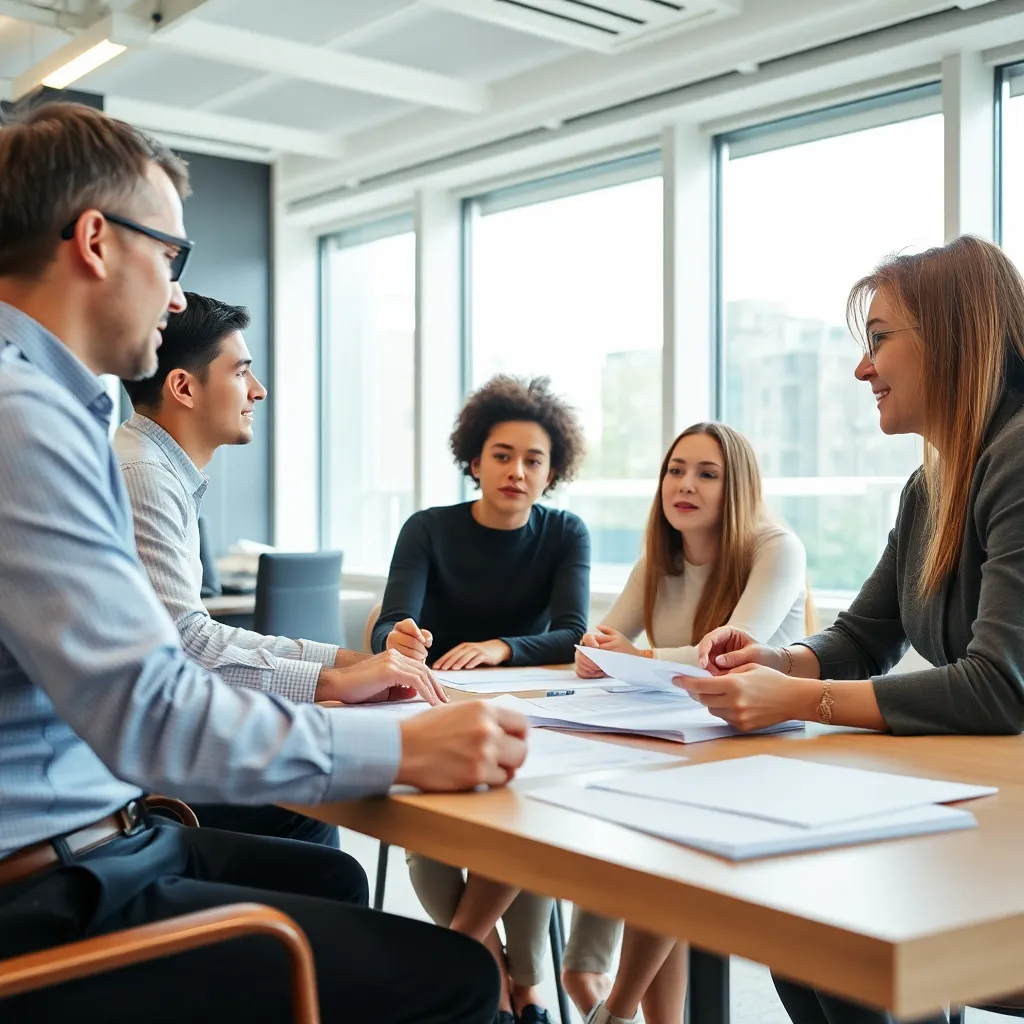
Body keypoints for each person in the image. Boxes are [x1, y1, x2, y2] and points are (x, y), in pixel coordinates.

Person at [0, 100, 528, 1024]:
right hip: (47, 898)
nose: (173, 294)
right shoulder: (24, 418)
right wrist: (400, 743)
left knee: (326, 877)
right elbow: (152, 711)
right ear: (94, 239)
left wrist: (337, 684)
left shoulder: (52, 405)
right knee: (458, 978)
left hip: (100, 840)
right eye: (170, 256)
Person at [684, 235, 1024, 1024]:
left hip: (1005, 836)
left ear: (954, 337)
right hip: (983, 809)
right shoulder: (930, 483)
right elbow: (867, 634)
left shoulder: (1017, 458)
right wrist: (782, 659)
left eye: (879, 341)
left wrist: (797, 701)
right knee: (808, 930)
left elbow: (1000, 686)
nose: (862, 369)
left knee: (838, 930)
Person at [114, 292, 442, 848]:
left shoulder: (154, 465)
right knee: (316, 829)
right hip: (144, 779)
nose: (258, 390)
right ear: (184, 387)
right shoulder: (144, 471)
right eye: (241, 372)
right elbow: (186, 647)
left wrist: (349, 660)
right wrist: (332, 680)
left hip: (147, 751)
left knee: (314, 813)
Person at [566, 422, 809, 1024]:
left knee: (661, 841)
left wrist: (632, 656)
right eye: (676, 469)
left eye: (707, 473)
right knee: (623, 817)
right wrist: (597, 650)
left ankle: (615, 1012)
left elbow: (727, 655)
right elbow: (600, 644)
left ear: (738, 487)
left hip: (767, 749)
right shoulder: (661, 554)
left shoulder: (776, 547)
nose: (685, 484)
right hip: (683, 738)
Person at [371, 374, 590, 1024]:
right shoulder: (428, 529)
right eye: (502, 455)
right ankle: (503, 970)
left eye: (533, 460)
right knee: (429, 832)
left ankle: (501, 973)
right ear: (474, 461)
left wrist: (502, 646)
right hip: (437, 705)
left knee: (525, 818)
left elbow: (573, 634)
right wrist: (402, 636)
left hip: (529, 709)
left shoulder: (564, 533)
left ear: (552, 472)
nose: (517, 472)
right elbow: (389, 626)